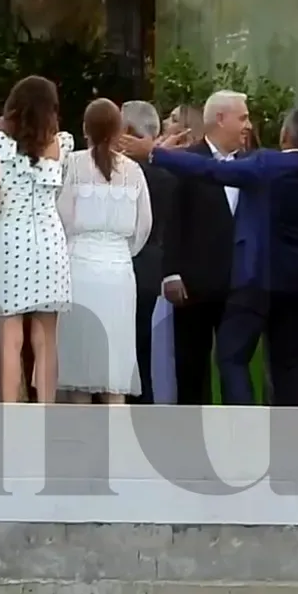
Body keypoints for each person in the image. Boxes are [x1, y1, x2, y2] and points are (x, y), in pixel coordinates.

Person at [123, 104, 298, 406]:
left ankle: (244, 423)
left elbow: (210, 169)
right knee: (290, 365)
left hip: (260, 280)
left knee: (232, 356)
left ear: (284, 135)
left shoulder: (266, 164)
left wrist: (155, 153)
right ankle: (287, 429)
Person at [0, 76, 73, 403]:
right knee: (46, 338)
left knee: (11, 335)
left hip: (10, 240)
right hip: (50, 240)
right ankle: (46, 409)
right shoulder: (61, 144)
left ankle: (11, 412)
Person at [158, 91, 251, 405]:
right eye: (243, 117)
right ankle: (193, 429)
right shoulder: (187, 160)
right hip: (193, 285)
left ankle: (236, 428)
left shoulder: (252, 164)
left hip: (240, 285)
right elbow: (172, 218)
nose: (248, 125)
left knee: (235, 367)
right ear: (220, 119)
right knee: (191, 366)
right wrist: (171, 272)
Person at [56, 99, 152, 402]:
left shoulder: (71, 164)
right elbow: (143, 225)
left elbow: (61, 217)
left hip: (79, 269)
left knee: (79, 367)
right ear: (118, 130)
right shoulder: (134, 171)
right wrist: (122, 252)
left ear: (85, 129)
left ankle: (81, 429)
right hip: (119, 273)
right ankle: (116, 425)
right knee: (115, 365)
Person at [120, 100, 177, 404]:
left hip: (125, 267)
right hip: (151, 271)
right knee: (142, 349)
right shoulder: (169, 173)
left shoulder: (123, 175)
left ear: (128, 131)